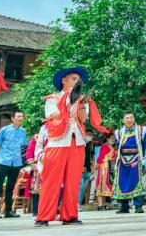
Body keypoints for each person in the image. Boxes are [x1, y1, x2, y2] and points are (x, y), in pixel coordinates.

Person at [36, 66, 105, 227]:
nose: (77, 82)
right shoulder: (52, 98)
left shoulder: (81, 99)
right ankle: (43, 216)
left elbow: (82, 119)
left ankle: (69, 216)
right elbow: (53, 116)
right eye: (73, 79)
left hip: (77, 143)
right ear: (63, 80)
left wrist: (81, 105)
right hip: (57, 143)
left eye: (78, 80)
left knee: (73, 181)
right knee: (51, 181)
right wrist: (70, 100)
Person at [0, 110, 28, 218]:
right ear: (12, 118)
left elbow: (23, 147)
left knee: (10, 187)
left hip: (16, 163)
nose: (20, 118)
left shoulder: (23, 131)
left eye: (22, 116)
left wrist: (22, 162)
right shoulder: (4, 130)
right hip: (3, 161)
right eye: (18, 116)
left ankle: (8, 211)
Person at [112, 112, 146, 214]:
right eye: (127, 118)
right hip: (122, 161)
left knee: (136, 182)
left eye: (131, 117)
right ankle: (124, 206)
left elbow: (143, 145)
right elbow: (118, 146)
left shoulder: (141, 130)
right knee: (123, 183)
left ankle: (138, 206)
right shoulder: (119, 132)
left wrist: (141, 158)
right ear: (123, 120)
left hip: (136, 159)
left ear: (134, 119)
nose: (129, 119)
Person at [25, 125, 47, 215]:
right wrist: (32, 163)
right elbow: (29, 151)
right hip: (39, 165)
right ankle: (35, 210)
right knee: (37, 188)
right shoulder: (36, 137)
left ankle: (48, 210)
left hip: (52, 165)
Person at [94, 134, 115, 210]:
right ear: (107, 139)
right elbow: (100, 157)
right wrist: (98, 165)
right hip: (104, 169)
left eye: (114, 138)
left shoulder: (111, 147)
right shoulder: (104, 146)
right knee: (101, 185)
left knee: (106, 188)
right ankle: (100, 205)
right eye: (112, 138)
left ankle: (104, 204)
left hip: (109, 169)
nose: (113, 140)